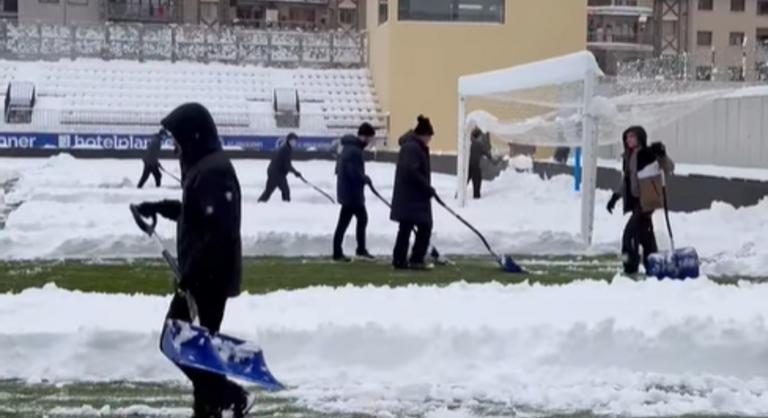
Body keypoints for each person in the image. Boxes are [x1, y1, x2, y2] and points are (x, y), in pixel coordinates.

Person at [134, 103, 248, 417]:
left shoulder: (213, 171)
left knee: (177, 342)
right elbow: (194, 214)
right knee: (195, 349)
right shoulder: (204, 166)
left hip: (208, 280)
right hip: (202, 277)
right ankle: (212, 405)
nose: (173, 147)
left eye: (177, 140)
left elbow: (218, 233)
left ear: (191, 136)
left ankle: (229, 395)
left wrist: (193, 275)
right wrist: (157, 207)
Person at [606, 125, 675, 275]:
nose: (629, 140)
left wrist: (662, 154)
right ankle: (654, 265)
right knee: (645, 236)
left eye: (632, 136)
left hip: (647, 202)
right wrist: (615, 196)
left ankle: (630, 266)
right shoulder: (628, 156)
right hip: (636, 202)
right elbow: (627, 181)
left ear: (640, 138)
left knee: (629, 235)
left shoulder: (648, 154)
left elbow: (668, 167)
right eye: (627, 137)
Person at [390, 115, 436, 270]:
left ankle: (401, 259)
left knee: (407, 228)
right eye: (429, 137)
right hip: (412, 198)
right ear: (423, 135)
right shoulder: (412, 147)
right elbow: (412, 171)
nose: (429, 140)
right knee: (423, 227)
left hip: (411, 197)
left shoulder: (412, 146)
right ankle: (414, 259)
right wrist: (426, 187)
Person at [332, 123, 376, 262]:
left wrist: (363, 178)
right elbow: (353, 172)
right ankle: (343, 252)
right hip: (351, 193)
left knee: (359, 219)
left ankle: (355, 249)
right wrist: (364, 178)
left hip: (349, 191)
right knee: (349, 221)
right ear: (364, 137)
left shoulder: (349, 148)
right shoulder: (354, 150)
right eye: (370, 138)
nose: (370, 142)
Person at [258, 133, 301, 202]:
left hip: (273, 172)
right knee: (285, 191)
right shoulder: (286, 150)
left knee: (268, 191)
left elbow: (285, 164)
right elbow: (287, 165)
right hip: (277, 173)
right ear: (288, 141)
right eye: (293, 141)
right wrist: (295, 172)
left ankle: (259, 204)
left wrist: (295, 172)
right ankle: (286, 206)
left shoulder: (285, 148)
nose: (294, 143)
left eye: (295, 141)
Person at [468, 127, 492, 199]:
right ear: (479, 137)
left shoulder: (468, 143)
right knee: (477, 183)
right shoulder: (479, 145)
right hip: (475, 167)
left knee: (463, 182)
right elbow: (488, 154)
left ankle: (458, 196)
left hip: (467, 166)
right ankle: (476, 197)